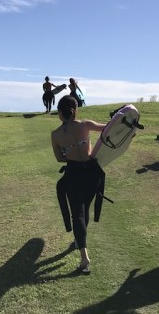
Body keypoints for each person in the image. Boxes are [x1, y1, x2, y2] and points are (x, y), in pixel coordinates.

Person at [51, 95, 106, 274]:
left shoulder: (56, 134)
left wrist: (70, 152)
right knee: (84, 210)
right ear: (75, 109)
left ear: (60, 112)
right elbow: (108, 130)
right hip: (92, 174)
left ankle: (84, 256)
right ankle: (78, 241)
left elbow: (60, 158)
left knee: (78, 215)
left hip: (74, 174)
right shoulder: (86, 124)